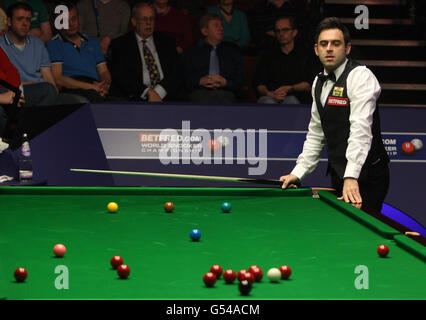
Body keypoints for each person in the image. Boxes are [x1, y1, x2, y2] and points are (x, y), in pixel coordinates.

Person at [280, 17, 390, 214]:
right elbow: (316, 133)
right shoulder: (318, 82)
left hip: (366, 175)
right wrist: (298, 173)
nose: (329, 48)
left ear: (347, 48)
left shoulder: (361, 77)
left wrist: (352, 176)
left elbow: (360, 130)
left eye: (335, 43)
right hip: (340, 175)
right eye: (324, 44)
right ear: (316, 49)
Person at [109, 2, 180, 102]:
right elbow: (121, 76)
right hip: (136, 97)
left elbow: (176, 72)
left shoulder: (167, 42)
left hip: (166, 95)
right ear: (134, 21)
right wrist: (148, 92)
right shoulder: (120, 44)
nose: (148, 23)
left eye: (151, 19)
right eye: (144, 19)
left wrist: (158, 92)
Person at [47, 3, 112, 103]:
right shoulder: (54, 44)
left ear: (79, 19)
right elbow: (58, 78)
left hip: (95, 85)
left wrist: (105, 86)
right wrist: (91, 87)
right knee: (95, 99)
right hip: (72, 87)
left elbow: (103, 71)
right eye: (65, 21)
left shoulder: (92, 42)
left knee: (120, 102)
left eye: (73, 19)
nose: (71, 24)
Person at [0, 2, 57, 107]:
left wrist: (53, 92)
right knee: (47, 90)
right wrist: (43, 87)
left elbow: (48, 77)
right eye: (19, 19)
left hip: (42, 92)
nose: (25, 23)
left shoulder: (38, 44)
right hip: (14, 91)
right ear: (8, 21)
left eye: (28, 19)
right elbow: (5, 82)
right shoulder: (1, 45)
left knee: (59, 95)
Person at [183, 13, 245, 103]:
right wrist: (200, 81)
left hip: (226, 93)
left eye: (221, 25)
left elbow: (240, 80)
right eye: (216, 25)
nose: (221, 28)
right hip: (200, 93)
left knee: (224, 97)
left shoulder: (233, 52)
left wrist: (226, 82)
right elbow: (185, 79)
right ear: (205, 31)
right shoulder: (192, 54)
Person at [254, 16, 317, 104]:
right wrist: (269, 93)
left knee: (291, 101)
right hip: (271, 96)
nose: (281, 34)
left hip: (297, 97)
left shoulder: (305, 55)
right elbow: (259, 84)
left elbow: (309, 82)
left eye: (285, 30)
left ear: (294, 32)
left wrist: (290, 88)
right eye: (278, 31)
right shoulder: (267, 55)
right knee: (267, 102)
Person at [0, 46, 24, 141]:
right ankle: (7, 146)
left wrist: (13, 92)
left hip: (6, 88)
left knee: (48, 90)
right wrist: (1, 98)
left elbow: (10, 69)